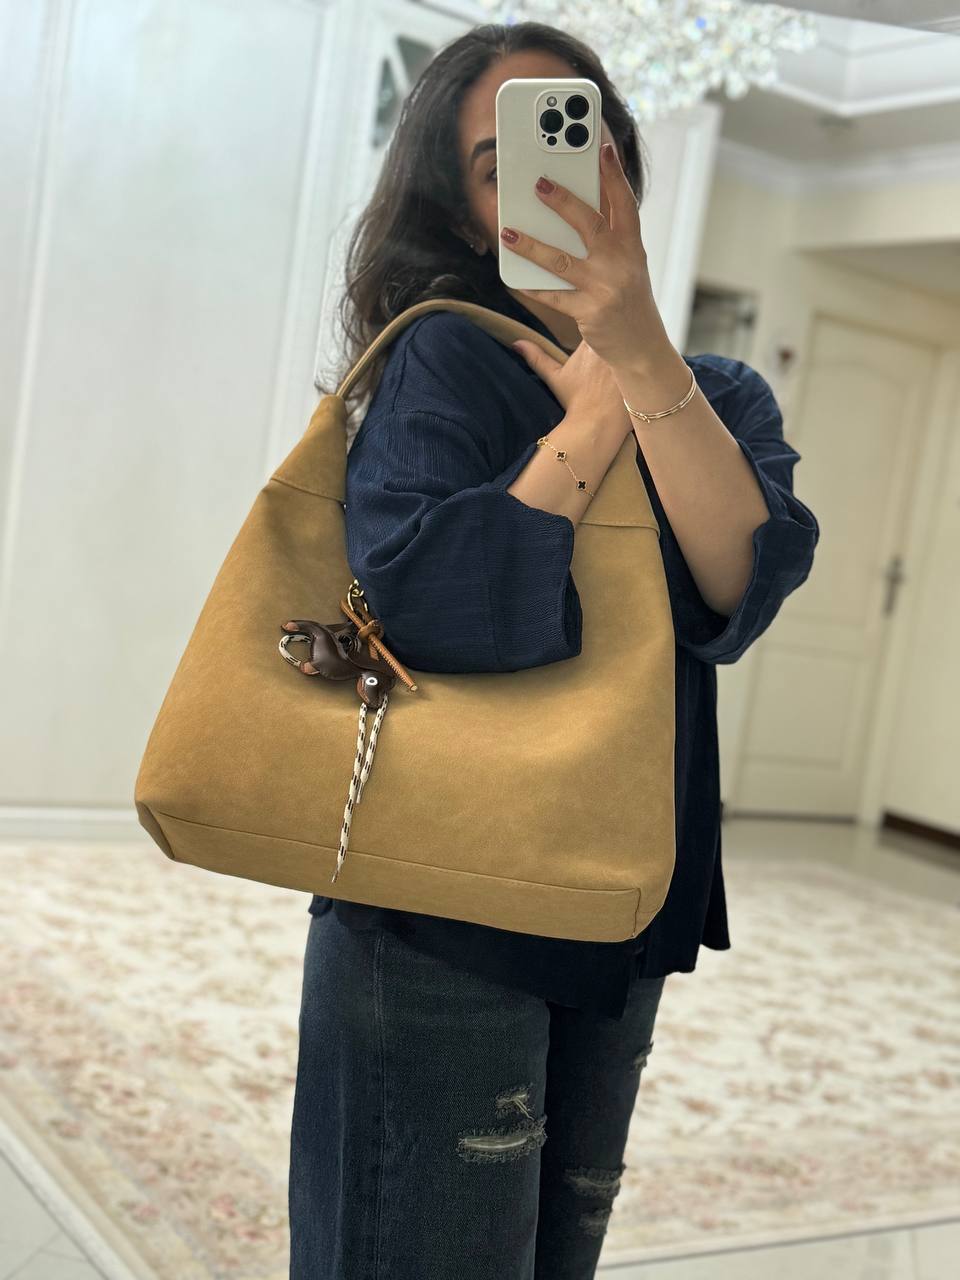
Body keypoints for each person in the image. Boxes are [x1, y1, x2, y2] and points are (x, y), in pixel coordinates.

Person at [288, 20, 820, 1280]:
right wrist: (584, 432)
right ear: (466, 211)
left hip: (620, 892)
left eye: (586, 148)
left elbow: (741, 586)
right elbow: (423, 601)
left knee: (553, 1250)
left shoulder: (721, 396)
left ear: (624, 170)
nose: (556, 184)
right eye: (503, 163)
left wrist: (638, 361)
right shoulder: (446, 357)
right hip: (443, 897)